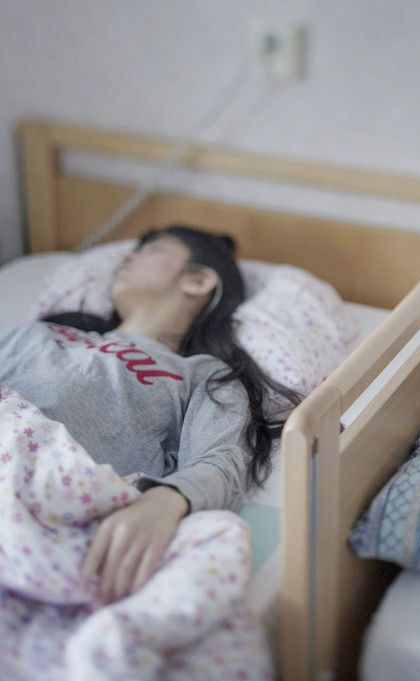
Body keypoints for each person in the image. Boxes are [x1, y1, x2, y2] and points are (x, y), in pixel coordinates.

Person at [0, 225, 299, 606]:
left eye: (150, 250)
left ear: (197, 281)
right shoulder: (39, 334)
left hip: (55, 497)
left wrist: (165, 501)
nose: (126, 257)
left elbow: (219, 461)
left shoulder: (204, 375)